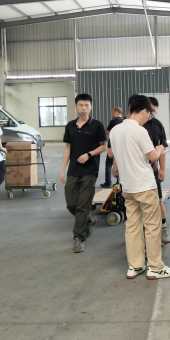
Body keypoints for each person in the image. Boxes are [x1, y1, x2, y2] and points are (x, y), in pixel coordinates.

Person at [110, 95, 170, 280]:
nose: (150, 117)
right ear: (144, 111)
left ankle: (135, 265)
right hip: (145, 185)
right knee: (152, 226)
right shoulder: (139, 131)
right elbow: (153, 156)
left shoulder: (115, 130)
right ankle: (155, 267)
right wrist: (160, 149)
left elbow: (115, 155)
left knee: (132, 226)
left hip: (127, 186)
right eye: (150, 113)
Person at [60, 94, 107, 253]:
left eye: (86, 105)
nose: (83, 108)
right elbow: (68, 148)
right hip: (73, 170)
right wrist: (63, 170)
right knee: (71, 204)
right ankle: (88, 219)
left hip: (90, 170)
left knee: (83, 205)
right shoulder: (70, 126)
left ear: (91, 107)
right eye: (80, 105)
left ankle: (78, 238)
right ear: (76, 107)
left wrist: (89, 154)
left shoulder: (97, 125)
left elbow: (103, 146)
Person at [143, 97, 170, 244]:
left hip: (153, 170)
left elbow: (162, 148)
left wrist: (162, 169)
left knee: (158, 200)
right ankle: (143, 233)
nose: (152, 113)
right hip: (139, 171)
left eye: (154, 111)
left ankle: (163, 229)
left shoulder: (158, 125)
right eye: (150, 110)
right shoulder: (137, 125)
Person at [101, 107, 124, 188]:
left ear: (116, 113)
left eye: (113, 113)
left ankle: (108, 182)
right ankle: (119, 182)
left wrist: (109, 132)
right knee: (120, 163)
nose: (112, 114)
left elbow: (108, 131)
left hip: (113, 145)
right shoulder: (124, 121)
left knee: (109, 163)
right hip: (122, 145)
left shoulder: (113, 122)